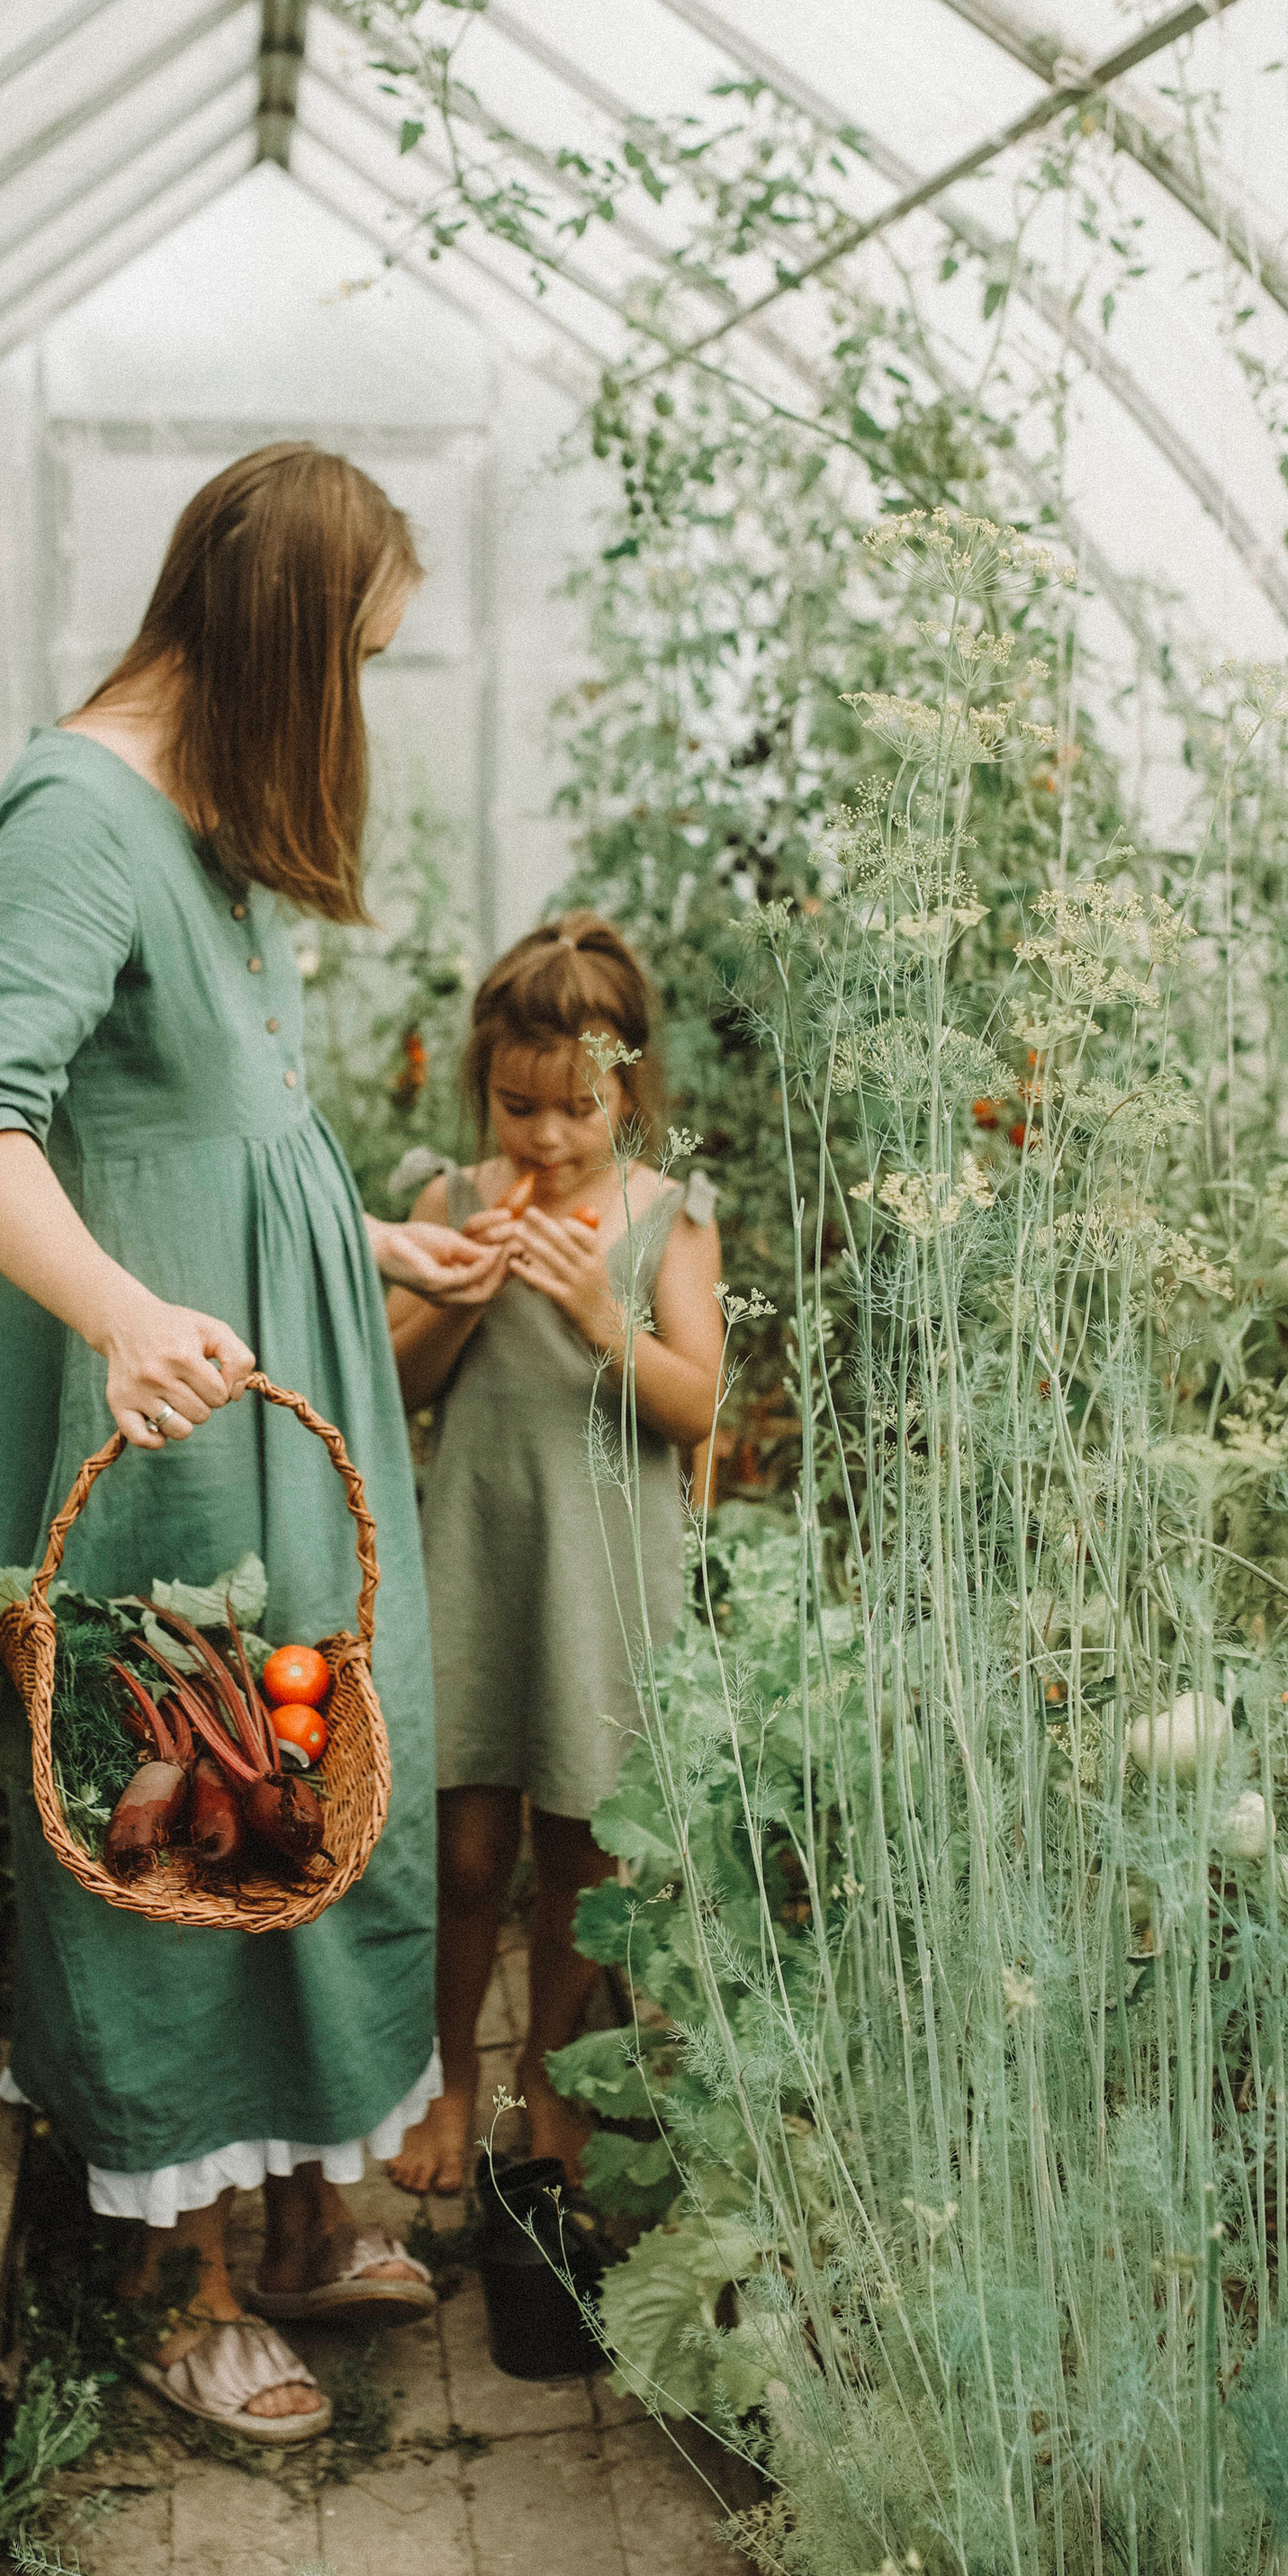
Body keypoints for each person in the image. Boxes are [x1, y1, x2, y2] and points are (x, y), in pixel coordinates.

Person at [0, 445, 501, 2446]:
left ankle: (298, 2196)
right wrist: (126, 1318)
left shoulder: (206, 814)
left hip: (285, 1383)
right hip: (166, 1418)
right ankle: (177, 2276)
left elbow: (212, 1129)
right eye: (351, 654)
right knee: (180, 1800)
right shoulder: (77, 815)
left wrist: (364, 1235)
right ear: (277, 640)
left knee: (314, 1763)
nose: (354, 700)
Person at [382, 916, 725, 2196]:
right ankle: (448, 2077)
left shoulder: (663, 1222)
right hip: (480, 1556)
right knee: (464, 1849)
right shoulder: (451, 1203)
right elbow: (403, 1386)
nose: (545, 1140)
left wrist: (595, 1313)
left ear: (625, 1086)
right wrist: (455, 1301)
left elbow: (695, 1410)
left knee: (581, 1852)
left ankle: (545, 2085)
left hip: (602, 1573)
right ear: (487, 1086)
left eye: (575, 1109)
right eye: (519, 1108)